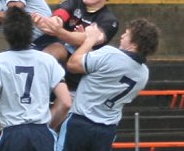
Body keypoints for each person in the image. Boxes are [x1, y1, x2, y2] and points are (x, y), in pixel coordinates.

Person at [57, 18, 160, 151]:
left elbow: (72, 65)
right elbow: (106, 67)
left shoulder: (110, 53)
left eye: (126, 34)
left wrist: (89, 40)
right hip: (107, 130)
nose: (122, 36)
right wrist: (85, 47)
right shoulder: (143, 74)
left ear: (134, 44)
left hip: (80, 122)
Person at [0, 6, 72, 151]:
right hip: (41, 134)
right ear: (31, 32)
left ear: (6, 33)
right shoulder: (47, 60)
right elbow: (66, 102)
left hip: (12, 134)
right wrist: (49, 125)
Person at [33, 0, 119, 92]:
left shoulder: (109, 21)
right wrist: (46, 23)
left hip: (76, 79)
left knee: (57, 48)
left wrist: (59, 32)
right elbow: (58, 18)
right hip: (51, 57)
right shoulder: (73, 2)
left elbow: (89, 39)